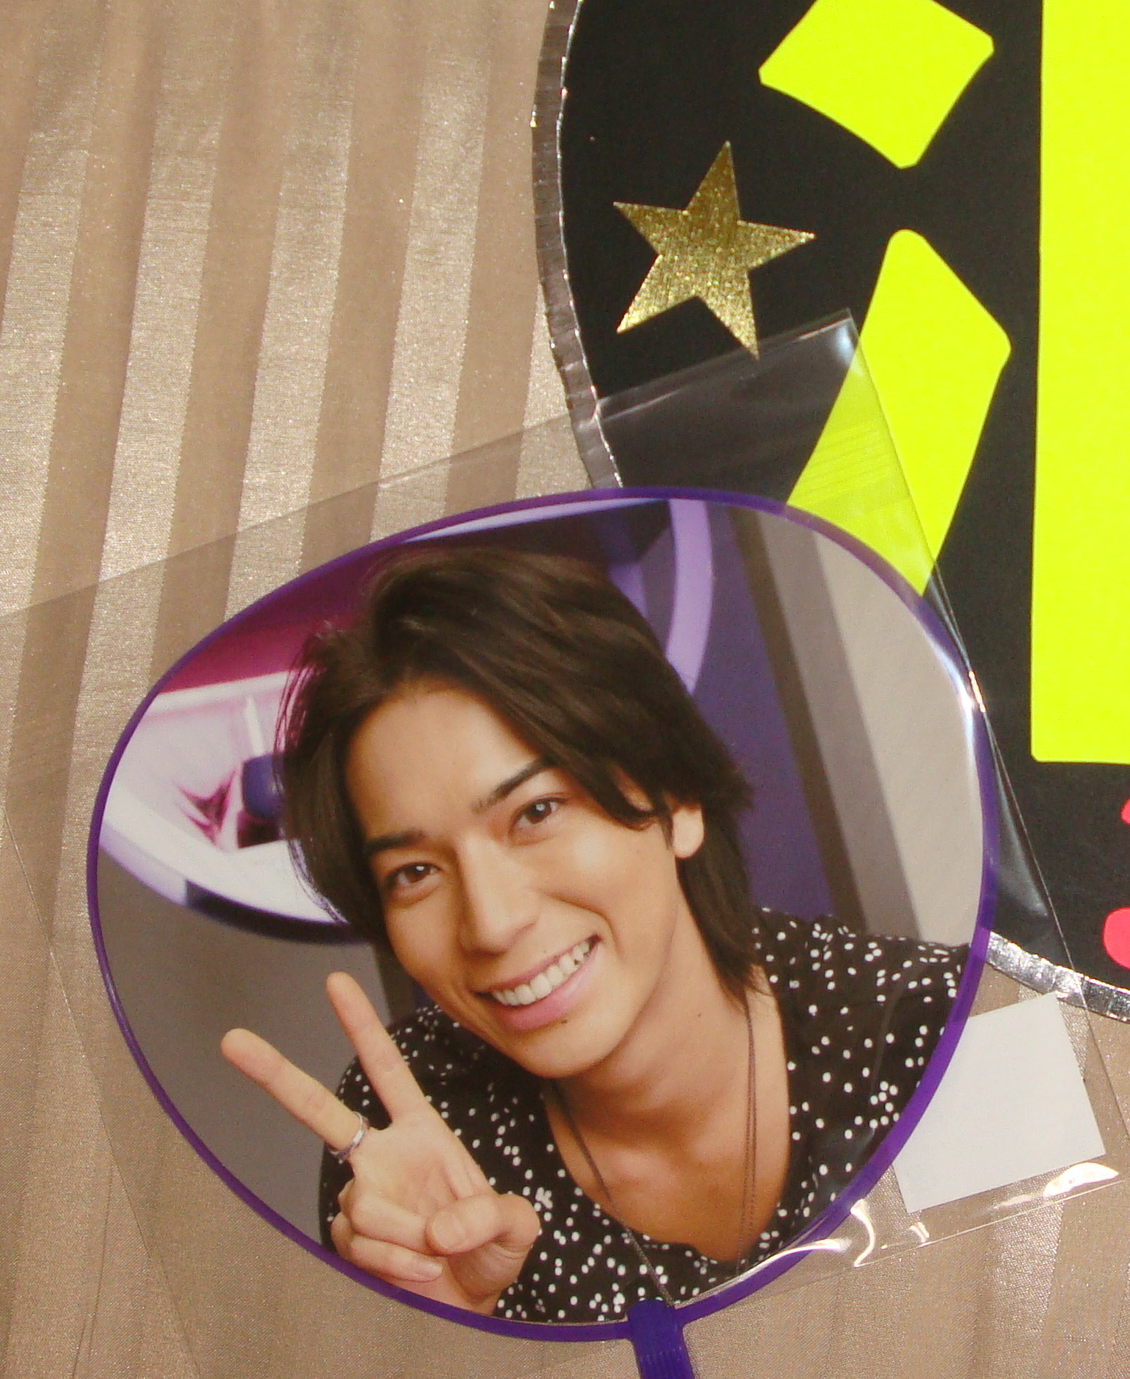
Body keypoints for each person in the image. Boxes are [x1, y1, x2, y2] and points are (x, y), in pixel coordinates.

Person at [219, 545, 966, 1324]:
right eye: (414, 872)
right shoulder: (408, 1125)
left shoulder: (932, 1025)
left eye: (536, 812)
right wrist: (449, 1340)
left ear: (675, 796)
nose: (492, 921)